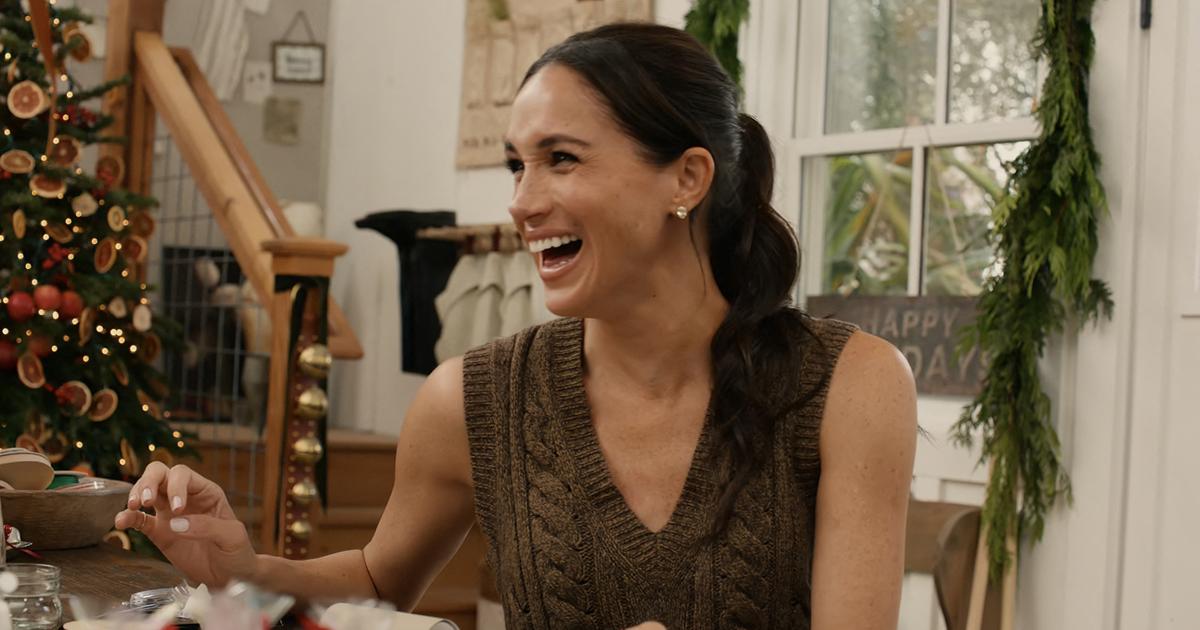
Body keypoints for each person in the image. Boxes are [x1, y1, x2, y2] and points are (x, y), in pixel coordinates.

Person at [115, 22, 916, 629]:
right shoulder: (470, 399)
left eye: (561, 159)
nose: (522, 202)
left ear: (687, 178)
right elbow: (379, 580)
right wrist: (240, 567)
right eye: (516, 165)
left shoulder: (849, 386)